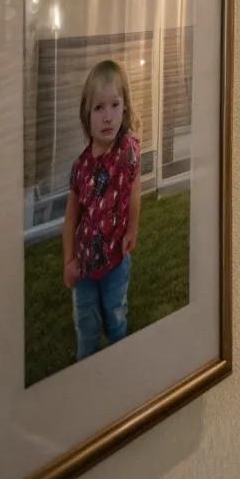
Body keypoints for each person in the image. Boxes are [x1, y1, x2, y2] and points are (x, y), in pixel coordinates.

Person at [62, 58, 141, 362]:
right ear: (87, 114)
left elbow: (134, 188)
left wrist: (133, 227)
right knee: (88, 327)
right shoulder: (80, 168)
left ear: (125, 108)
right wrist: (69, 260)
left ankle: (119, 364)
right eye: (98, 108)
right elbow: (71, 219)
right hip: (84, 266)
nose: (108, 117)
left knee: (116, 316)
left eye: (114, 105)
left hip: (117, 261)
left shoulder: (128, 151)